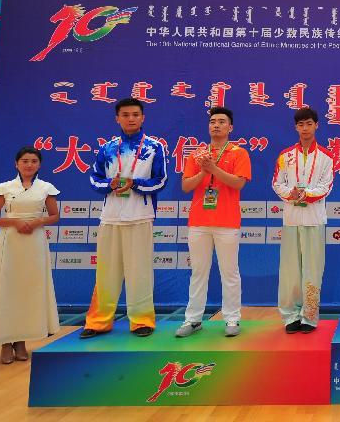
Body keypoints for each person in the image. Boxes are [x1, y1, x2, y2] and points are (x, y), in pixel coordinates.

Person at [0, 147, 60, 364]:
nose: (29, 164)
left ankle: (21, 341)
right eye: (25, 161)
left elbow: (54, 216)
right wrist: (14, 222)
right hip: (9, 243)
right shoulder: (5, 188)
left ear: (39, 165)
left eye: (34, 161)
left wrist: (37, 221)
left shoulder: (46, 188)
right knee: (6, 291)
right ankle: (5, 342)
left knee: (28, 292)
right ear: (16, 164)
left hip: (34, 244)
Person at [81, 98, 167, 339]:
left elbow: (160, 180)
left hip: (140, 216)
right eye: (126, 115)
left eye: (135, 114)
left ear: (143, 118)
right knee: (106, 271)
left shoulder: (154, 147)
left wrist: (135, 184)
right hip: (110, 218)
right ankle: (98, 321)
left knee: (140, 271)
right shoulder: (107, 148)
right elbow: (94, 179)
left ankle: (141, 320)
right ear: (117, 118)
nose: (131, 118)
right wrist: (109, 184)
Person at [176, 107, 251, 338]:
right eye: (212, 122)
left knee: (229, 272)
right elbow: (186, 186)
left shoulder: (239, 153)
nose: (216, 125)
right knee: (198, 272)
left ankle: (232, 318)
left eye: (221, 121)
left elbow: (238, 184)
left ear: (230, 127)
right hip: (199, 221)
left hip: (227, 222)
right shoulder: (197, 154)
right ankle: (193, 319)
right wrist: (203, 171)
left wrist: (214, 169)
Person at [272, 107, 335, 334]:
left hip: (314, 218)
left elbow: (326, 186)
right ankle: (290, 315)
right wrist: (291, 194)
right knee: (290, 270)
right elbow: (277, 184)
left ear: (316, 125)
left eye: (309, 124)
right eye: (301, 125)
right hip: (291, 219)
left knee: (313, 269)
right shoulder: (285, 155)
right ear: (295, 127)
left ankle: (309, 316)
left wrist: (305, 194)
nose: (305, 128)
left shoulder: (326, 157)